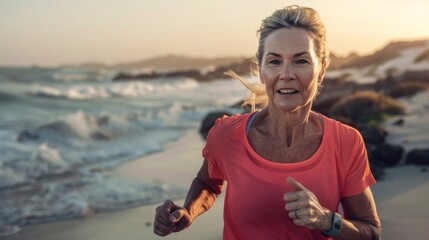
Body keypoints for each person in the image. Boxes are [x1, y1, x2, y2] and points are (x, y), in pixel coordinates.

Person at [154, 5, 381, 240]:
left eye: (301, 61)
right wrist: (188, 211)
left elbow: (372, 232)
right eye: (274, 62)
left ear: (321, 69)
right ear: (261, 71)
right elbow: (208, 182)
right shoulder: (227, 135)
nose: (286, 74)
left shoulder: (346, 142)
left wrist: (326, 220)